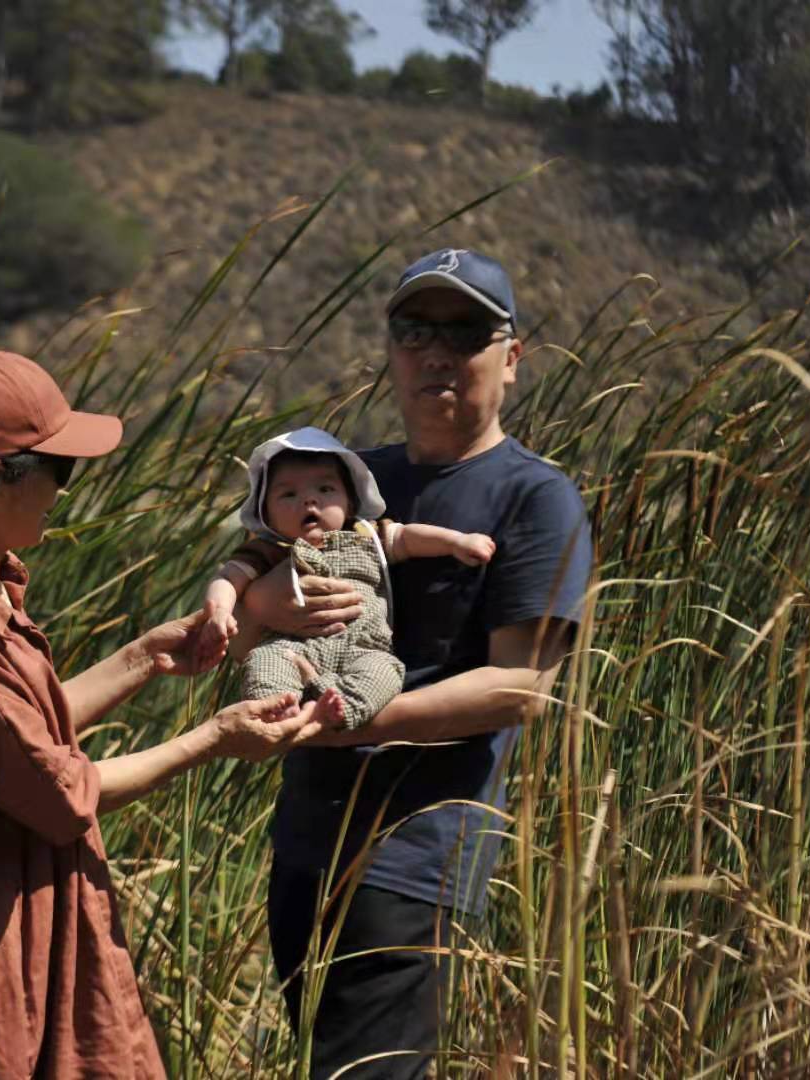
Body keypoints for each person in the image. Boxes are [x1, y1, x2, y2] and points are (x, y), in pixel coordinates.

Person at [0, 349, 327, 1078]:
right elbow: (59, 791)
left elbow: (17, 738)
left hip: (27, 969)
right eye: (58, 470)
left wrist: (145, 655)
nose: (63, 493)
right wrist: (213, 739)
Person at [241, 250, 594, 1078]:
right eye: (414, 330)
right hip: (303, 841)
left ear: (510, 358)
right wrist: (258, 610)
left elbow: (518, 687)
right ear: (389, 350)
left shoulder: (534, 498)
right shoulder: (347, 482)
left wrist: (338, 726)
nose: (436, 352)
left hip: (411, 855)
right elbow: (249, 608)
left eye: (466, 331)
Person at [196, 426, 496, 731]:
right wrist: (219, 612)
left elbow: (406, 538)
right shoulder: (270, 551)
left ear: (350, 503)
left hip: (364, 648)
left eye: (325, 490)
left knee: (385, 672)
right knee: (264, 664)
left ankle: (337, 707)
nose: (309, 501)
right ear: (267, 515)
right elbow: (229, 578)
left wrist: (456, 542)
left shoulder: (367, 535)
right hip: (291, 646)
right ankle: (277, 712)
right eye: (289, 494)